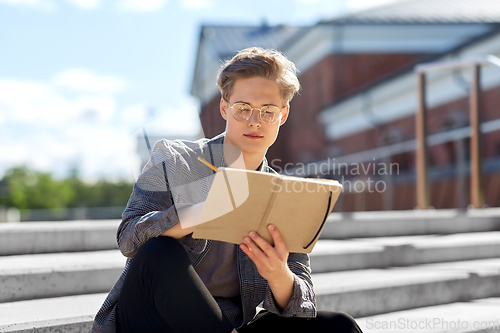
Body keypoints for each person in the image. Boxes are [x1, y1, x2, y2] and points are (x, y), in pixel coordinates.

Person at [91, 47, 362, 333]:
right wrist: (197, 213)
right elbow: (129, 239)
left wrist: (278, 273)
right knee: (159, 251)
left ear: (282, 115)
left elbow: (300, 302)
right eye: (243, 109)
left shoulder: (281, 195)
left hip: (224, 325)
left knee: (338, 327)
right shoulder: (174, 159)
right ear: (224, 108)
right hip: (151, 320)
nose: (255, 121)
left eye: (267, 111)